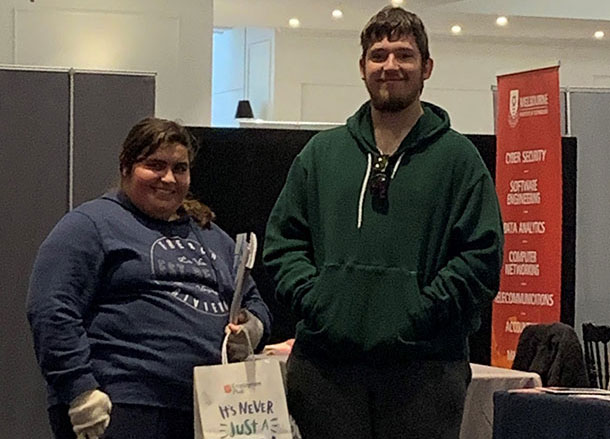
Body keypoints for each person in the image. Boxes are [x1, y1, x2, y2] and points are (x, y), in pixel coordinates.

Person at [263, 6, 503, 439]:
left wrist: (417, 315)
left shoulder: (459, 161)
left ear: (426, 67)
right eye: (379, 55)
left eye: (404, 55)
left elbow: (480, 258)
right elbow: (282, 247)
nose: (390, 66)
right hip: (326, 372)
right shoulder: (321, 155)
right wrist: (323, 306)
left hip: (427, 373)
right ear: (362, 67)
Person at [27, 117, 272, 439]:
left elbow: (253, 300)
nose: (168, 178)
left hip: (212, 408)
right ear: (126, 167)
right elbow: (51, 308)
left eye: (180, 168)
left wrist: (252, 328)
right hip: (123, 405)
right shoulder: (90, 225)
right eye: (155, 165)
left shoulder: (211, 235)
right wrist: (80, 390)